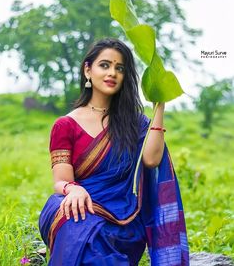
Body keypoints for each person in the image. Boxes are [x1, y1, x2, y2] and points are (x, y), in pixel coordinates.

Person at [39, 38, 189, 266]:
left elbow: (151, 159)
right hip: (82, 206)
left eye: (120, 68)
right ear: (88, 70)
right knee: (75, 221)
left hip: (123, 216)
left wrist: (160, 105)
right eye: (105, 65)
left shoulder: (134, 123)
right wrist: (74, 190)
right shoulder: (65, 125)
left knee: (96, 233)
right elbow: (61, 181)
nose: (113, 73)